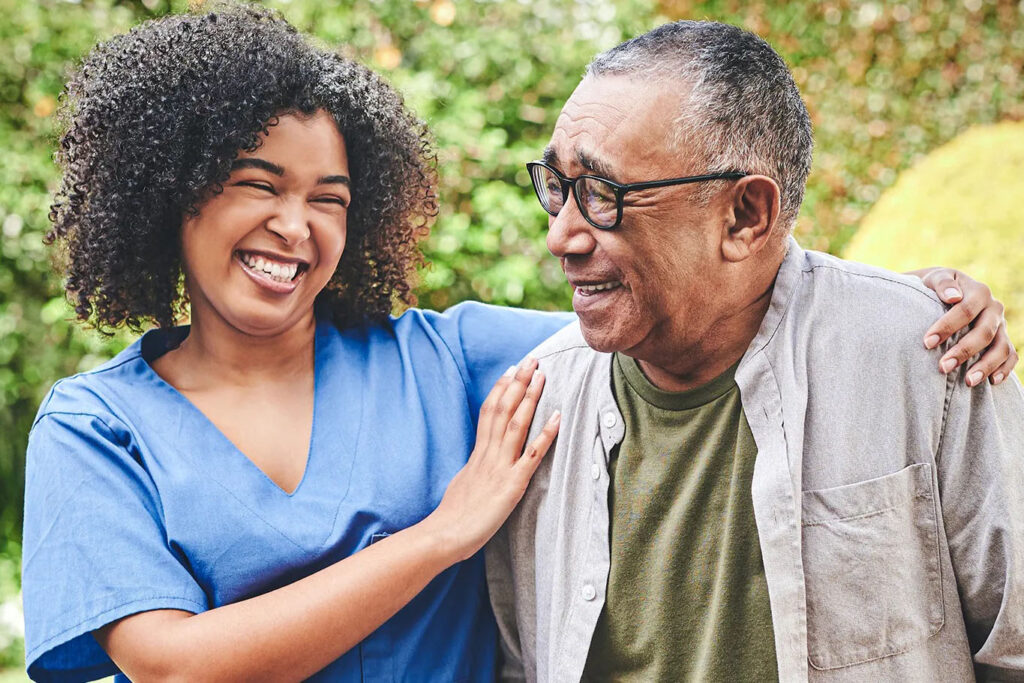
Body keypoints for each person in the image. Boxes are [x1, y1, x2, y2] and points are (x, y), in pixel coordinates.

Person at [20, 6, 1015, 683]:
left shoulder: (448, 361)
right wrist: (444, 531)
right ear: (171, 189)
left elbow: (701, 308)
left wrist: (913, 301)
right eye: (258, 183)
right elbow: (171, 663)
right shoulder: (98, 425)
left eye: (330, 197)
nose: (298, 225)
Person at [487, 20, 1024, 683]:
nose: (560, 235)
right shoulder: (540, 405)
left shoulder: (928, 358)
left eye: (603, 194)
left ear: (745, 215)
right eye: (558, 186)